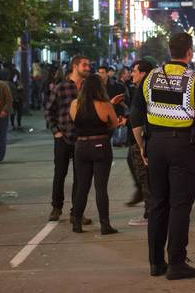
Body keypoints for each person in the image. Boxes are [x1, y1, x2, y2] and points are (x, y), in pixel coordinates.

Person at [132, 33, 195, 280]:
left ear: (169, 51)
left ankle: (156, 262)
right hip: (183, 146)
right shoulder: (193, 80)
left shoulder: (150, 78)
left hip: (156, 146)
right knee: (180, 205)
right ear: (189, 52)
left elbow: (136, 116)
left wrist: (142, 147)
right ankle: (177, 263)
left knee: (158, 204)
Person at [69, 74, 119, 235]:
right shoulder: (104, 104)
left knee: (82, 186)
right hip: (100, 145)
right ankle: (105, 225)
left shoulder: (75, 104)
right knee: (100, 187)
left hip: (81, 146)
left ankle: (76, 222)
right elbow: (114, 123)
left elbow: (74, 123)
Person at [45, 56, 92, 224]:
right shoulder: (61, 87)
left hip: (83, 138)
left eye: (88, 65)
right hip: (63, 137)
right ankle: (56, 207)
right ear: (75, 66)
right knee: (60, 174)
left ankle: (76, 212)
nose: (88, 67)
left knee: (80, 177)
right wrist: (55, 131)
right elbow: (49, 111)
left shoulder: (88, 88)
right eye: (85, 65)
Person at [127, 60, 155, 226]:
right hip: (153, 138)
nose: (132, 74)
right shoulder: (152, 87)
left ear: (144, 73)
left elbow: (136, 119)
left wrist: (140, 146)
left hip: (144, 140)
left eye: (135, 71)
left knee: (145, 178)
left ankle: (149, 214)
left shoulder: (143, 88)